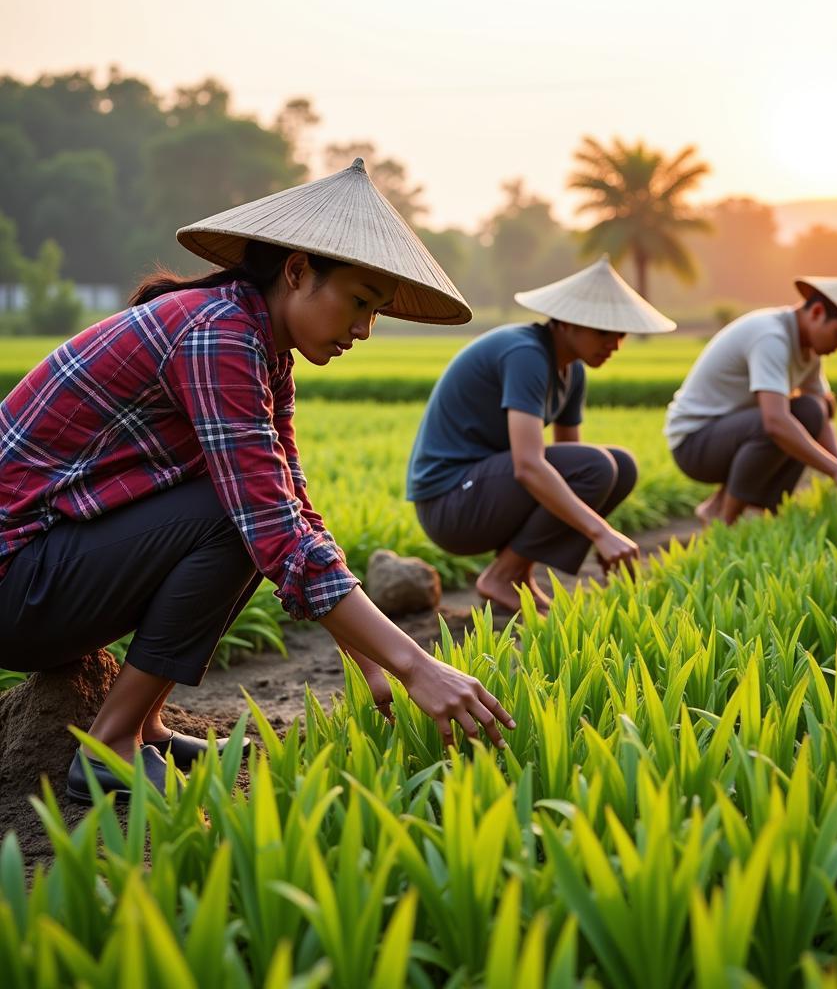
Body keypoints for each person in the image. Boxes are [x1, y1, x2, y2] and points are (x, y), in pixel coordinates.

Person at [0, 159, 514, 803]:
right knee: (231, 514)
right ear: (297, 271)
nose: (363, 330)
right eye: (358, 302)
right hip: (16, 582)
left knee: (245, 511)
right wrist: (416, 664)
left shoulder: (262, 352)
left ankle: (146, 726)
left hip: (51, 571)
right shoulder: (219, 334)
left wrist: (370, 657)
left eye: (376, 312)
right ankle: (112, 744)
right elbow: (267, 524)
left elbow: (293, 508)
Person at [406, 255, 676, 612]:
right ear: (565, 324)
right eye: (603, 332)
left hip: (484, 491)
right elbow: (529, 466)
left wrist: (590, 521)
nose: (614, 343)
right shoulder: (526, 354)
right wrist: (601, 533)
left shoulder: (571, 370)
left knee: (619, 466)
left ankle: (517, 575)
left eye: (620, 333)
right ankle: (501, 577)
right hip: (449, 502)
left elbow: (572, 462)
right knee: (597, 466)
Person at [664, 275, 837, 526]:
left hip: (728, 434)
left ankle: (733, 509)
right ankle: (725, 521)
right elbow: (775, 421)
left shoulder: (809, 351)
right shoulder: (772, 337)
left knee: (810, 410)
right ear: (817, 313)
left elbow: (820, 416)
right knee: (777, 422)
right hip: (694, 443)